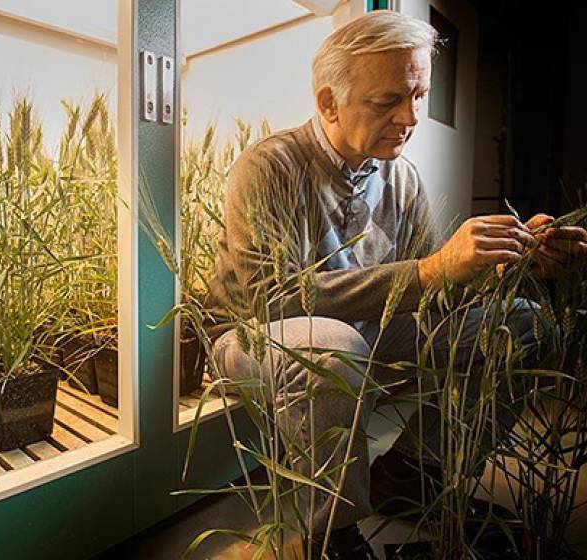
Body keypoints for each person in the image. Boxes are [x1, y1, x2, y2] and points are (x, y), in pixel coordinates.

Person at [203, 10, 587, 559]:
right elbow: (273, 298)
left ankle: (413, 474)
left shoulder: (402, 178)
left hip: (365, 337)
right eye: (387, 101)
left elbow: (430, 294)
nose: (410, 117)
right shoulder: (270, 167)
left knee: (526, 321)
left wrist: (510, 264)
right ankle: (331, 530)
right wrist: (431, 269)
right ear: (329, 102)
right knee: (332, 347)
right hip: (251, 338)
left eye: (419, 95)